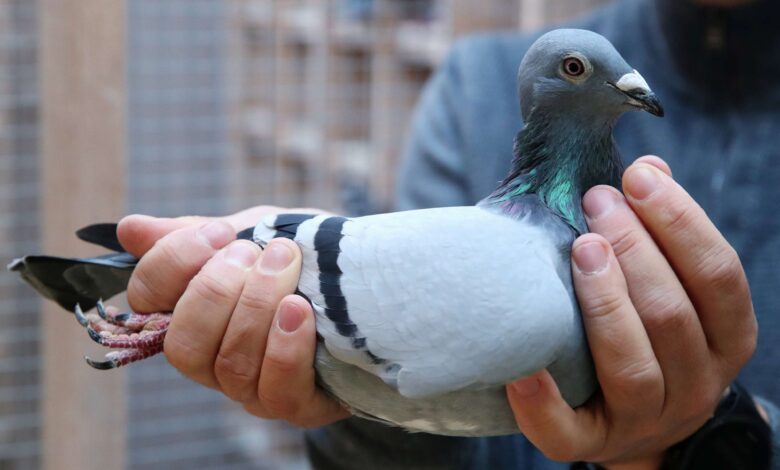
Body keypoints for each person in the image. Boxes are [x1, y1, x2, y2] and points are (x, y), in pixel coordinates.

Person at [115, 0, 779, 467]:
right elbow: (435, 398)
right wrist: (355, 418)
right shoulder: (472, 87)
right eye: (577, 71)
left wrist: (716, 445)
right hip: (312, 285)